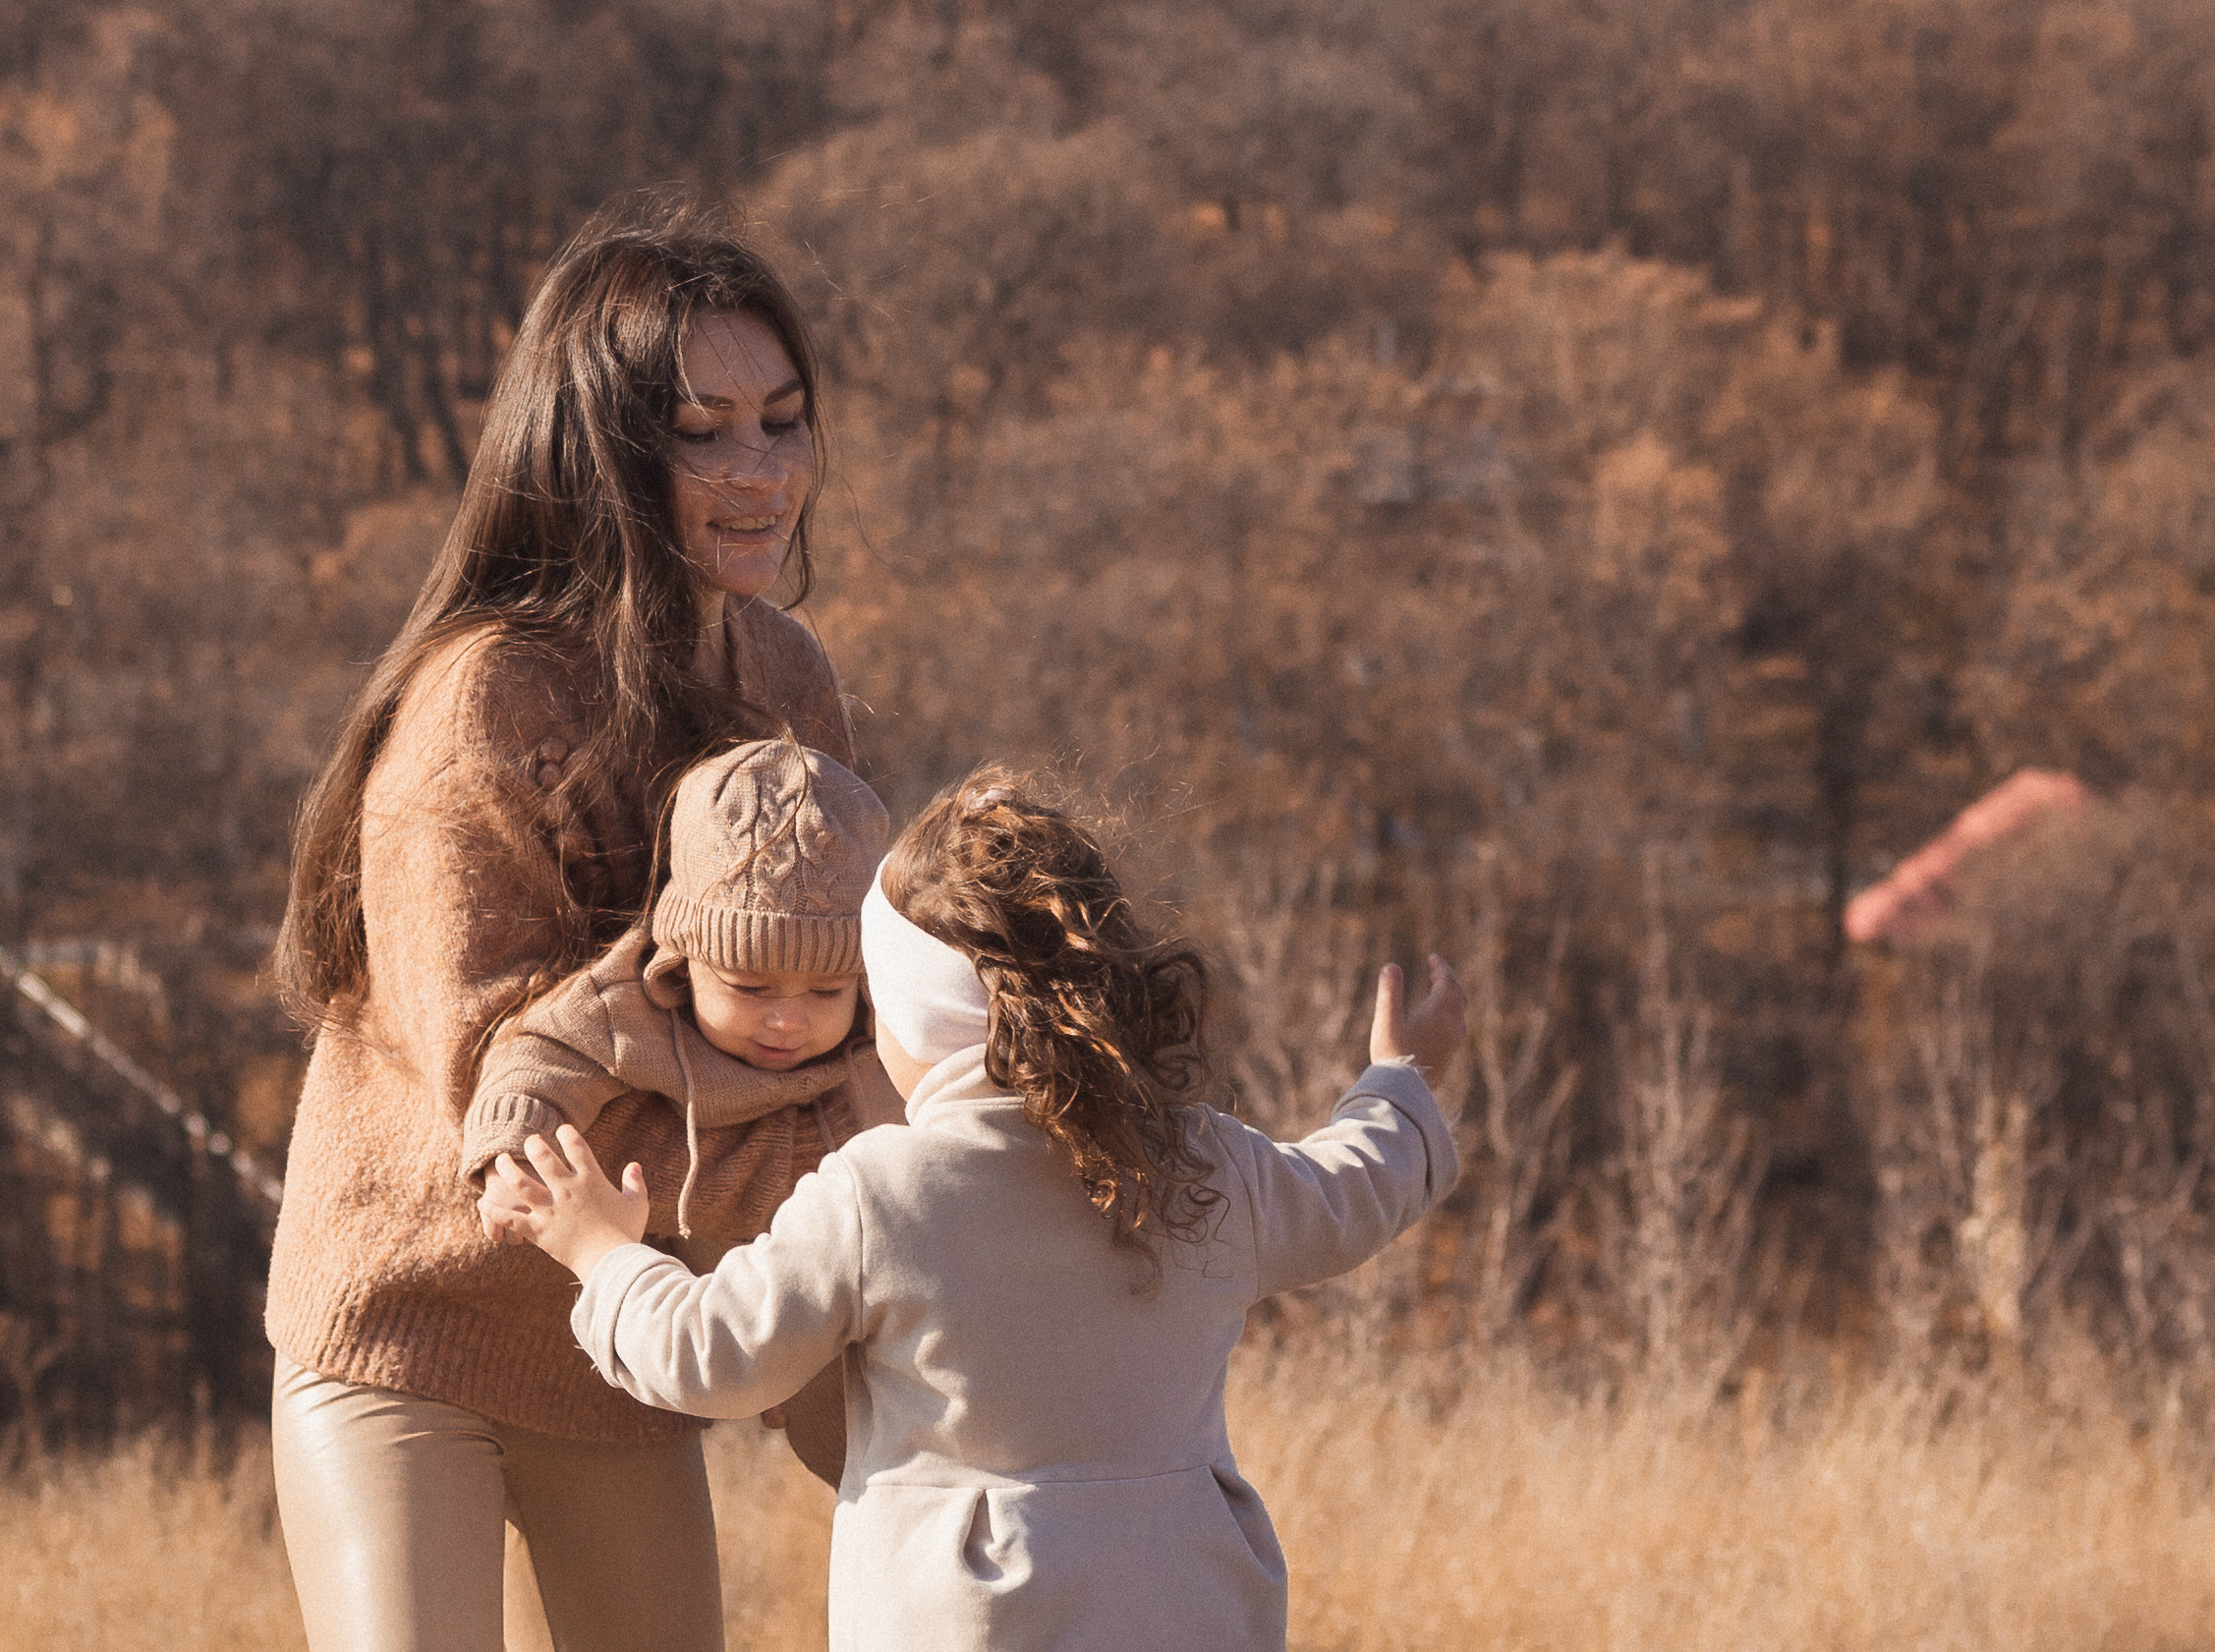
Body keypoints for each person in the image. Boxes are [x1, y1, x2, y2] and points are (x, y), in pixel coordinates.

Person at [263, 201, 868, 1652]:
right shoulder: (484, 701)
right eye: (703, 430)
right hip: (413, 1328)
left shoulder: (786, 674)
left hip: (618, 1333)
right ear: (597, 450)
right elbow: (510, 1102)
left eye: (781, 423)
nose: (759, 471)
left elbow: (839, 997)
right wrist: (787, 1193)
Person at [481, 769, 1469, 1651]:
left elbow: (712, 1353)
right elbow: (1353, 1189)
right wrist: (1400, 1082)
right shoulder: (1199, 1157)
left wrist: (599, 1250)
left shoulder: (884, 1192)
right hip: (1191, 1602)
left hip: (966, 1620)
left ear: (908, 1015)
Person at [462, 736, 903, 1486]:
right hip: (705, 1298)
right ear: (682, 955)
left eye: (826, 991)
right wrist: (510, 1153)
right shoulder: (627, 1008)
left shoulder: (883, 1036)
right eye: (751, 987)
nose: (788, 1020)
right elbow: (535, 1060)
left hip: (856, 1304)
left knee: (867, 1451)